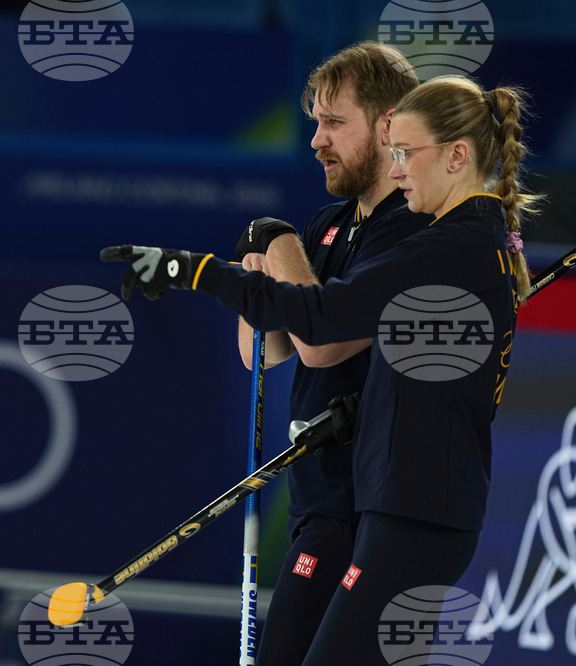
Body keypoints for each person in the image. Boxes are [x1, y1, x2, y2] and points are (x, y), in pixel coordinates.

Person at [101, 74, 539, 663]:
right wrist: (370, 407)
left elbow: (322, 316)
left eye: (408, 153)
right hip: (410, 506)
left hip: (418, 510)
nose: (399, 168)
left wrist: (195, 270)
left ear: (458, 156)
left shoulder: (449, 244)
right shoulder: (470, 240)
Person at [234, 42, 430, 665]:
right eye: (315, 122)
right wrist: (254, 280)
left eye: (334, 122)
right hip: (320, 502)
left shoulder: (414, 226)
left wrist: (282, 244)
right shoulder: (328, 223)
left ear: (389, 123)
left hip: (371, 509)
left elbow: (321, 345)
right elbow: (262, 353)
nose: (316, 139)